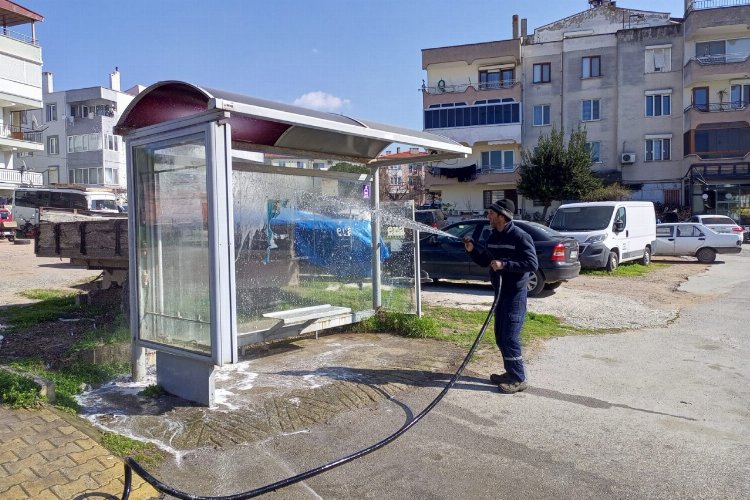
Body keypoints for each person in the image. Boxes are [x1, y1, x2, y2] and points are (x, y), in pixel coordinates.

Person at [463, 199, 538, 393]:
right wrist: (473, 252)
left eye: (491, 213)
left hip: (515, 294)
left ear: (502, 216)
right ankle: (510, 373)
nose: (488, 216)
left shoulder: (520, 237)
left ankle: (519, 378)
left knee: (510, 337)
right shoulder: (493, 236)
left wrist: (505, 265)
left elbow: (532, 264)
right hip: (500, 293)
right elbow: (487, 261)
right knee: (500, 336)